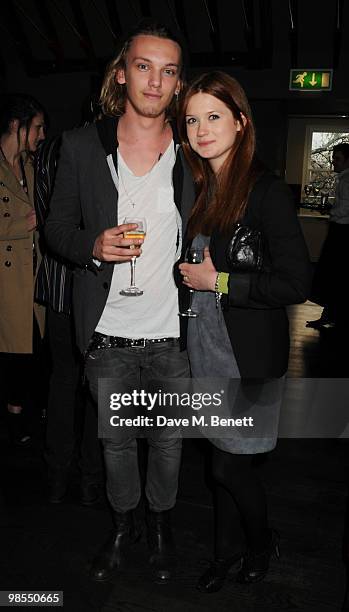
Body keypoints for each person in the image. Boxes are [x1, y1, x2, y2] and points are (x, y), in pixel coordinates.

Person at [44, 20, 194, 582]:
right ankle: (121, 527)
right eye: (144, 66)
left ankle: (161, 526)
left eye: (169, 70)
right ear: (122, 72)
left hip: (170, 332)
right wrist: (92, 244)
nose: (156, 80)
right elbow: (56, 229)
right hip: (107, 331)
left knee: (169, 445)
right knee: (114, 445)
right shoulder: (83, 145)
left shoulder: (190, 149)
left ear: (179, 83)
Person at [177, 71, 311, 592]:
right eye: (192, 119)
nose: (201, 129)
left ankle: (257, 544)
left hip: (247, 355)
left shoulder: (267, 191)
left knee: (228, 470)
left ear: (240, 121)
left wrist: (221, 281)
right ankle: (226, 552)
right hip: (205, 350)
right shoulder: (202, 190)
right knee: (220, 464)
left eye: (214, 116)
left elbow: (296, 282)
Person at [34, 135, 103, 504]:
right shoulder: (99, 150)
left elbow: (47, 218)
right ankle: (90, 476)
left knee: (62, 380)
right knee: (95, 388)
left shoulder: (47, 151)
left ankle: (57, 474)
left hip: (58, 282)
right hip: (91, 282)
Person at [0, 93, 47, 445]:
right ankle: (15, 419)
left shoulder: (31, 167)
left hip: (32, 277)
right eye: (37, 127)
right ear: (16, 126)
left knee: (33, 351)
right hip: (7, 279)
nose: (41, 135)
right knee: (13, 355)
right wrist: (25, 223)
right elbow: (24, 221)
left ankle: (23, 415)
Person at [306, 142, 349, 331]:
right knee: (335, 276)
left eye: (337, 159)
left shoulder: (347, 181)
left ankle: (333, 317)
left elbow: (346, 208)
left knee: (334, 275)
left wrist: (331, 211)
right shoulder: (343, 179)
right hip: (340, 231)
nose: (333, 162)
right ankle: (330, 316)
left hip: (342, 233)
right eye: (333, 159)